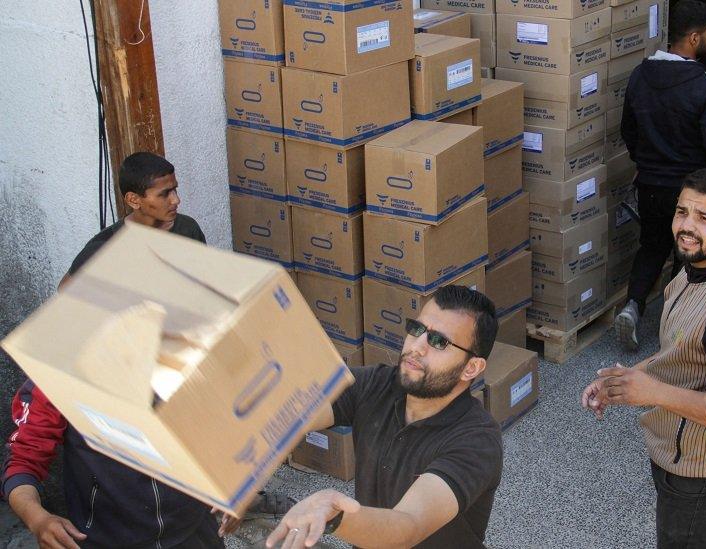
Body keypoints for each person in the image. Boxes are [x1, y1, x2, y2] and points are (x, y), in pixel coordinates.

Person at [2, 152, 240, 548]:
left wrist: (235, 484)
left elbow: (223, 418)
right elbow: (23, 457)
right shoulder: (63, 366)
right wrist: (36, 516)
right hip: (108, 536)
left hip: (194, 528)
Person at [583, 169, 706, 549]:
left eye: (705, 218)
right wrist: (623, 381)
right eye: (682, 212)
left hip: (704, 473)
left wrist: (653, 392)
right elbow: (681, 351)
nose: (687, 227)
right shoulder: (695, 269)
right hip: (681, 454)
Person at [266, 285, 503, 549]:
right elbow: (290, 413)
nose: (417, 347)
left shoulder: (477, 441)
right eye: (416, 329)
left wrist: (334, 514)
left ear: (471, 367)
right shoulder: (378, 384)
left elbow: (407, 527)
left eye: (439, 342)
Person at [615, 0, 706, 351]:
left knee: (651, 245)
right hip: (689, 190)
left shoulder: (640, 75)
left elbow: (628, 130)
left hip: (649, 183)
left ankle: (632, 307)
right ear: (693, 38)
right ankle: (674, 329)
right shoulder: (704, 87)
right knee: (688, 255)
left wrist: (646, 162)